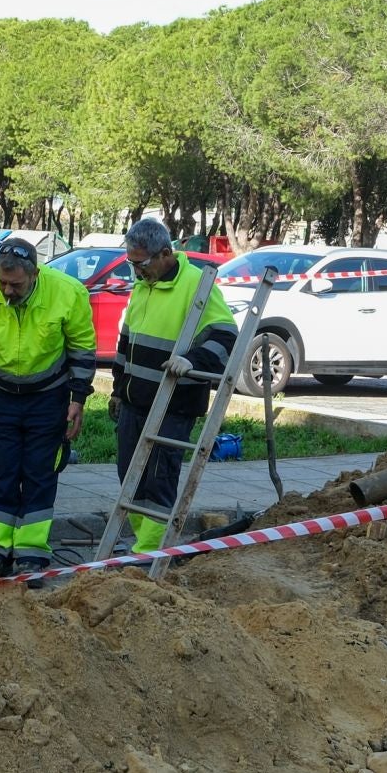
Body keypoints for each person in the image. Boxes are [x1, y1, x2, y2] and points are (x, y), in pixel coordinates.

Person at [0, 239, 96, 577]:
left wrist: (77, 400)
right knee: (2, 471)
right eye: (2, 282)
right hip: (2, 396)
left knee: (39, 473)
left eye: (16, 284)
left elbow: (82, 350)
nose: (7, 291)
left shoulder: (68, 293)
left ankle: (32, 552)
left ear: (35, 274)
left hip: (48, 397)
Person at [110, 217, 238, 554]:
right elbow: (128, 339)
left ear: (165, 253)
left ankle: (151, 550)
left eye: (140, 262)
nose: (135, 270)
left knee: (158, 479)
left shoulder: (197, 284)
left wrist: (193, 361)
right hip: (134, 400)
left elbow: (226, 335)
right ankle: (144, 542)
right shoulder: (143, 284)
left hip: (173, 403)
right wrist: (116, 389)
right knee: (130, 476)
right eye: (131, 262)